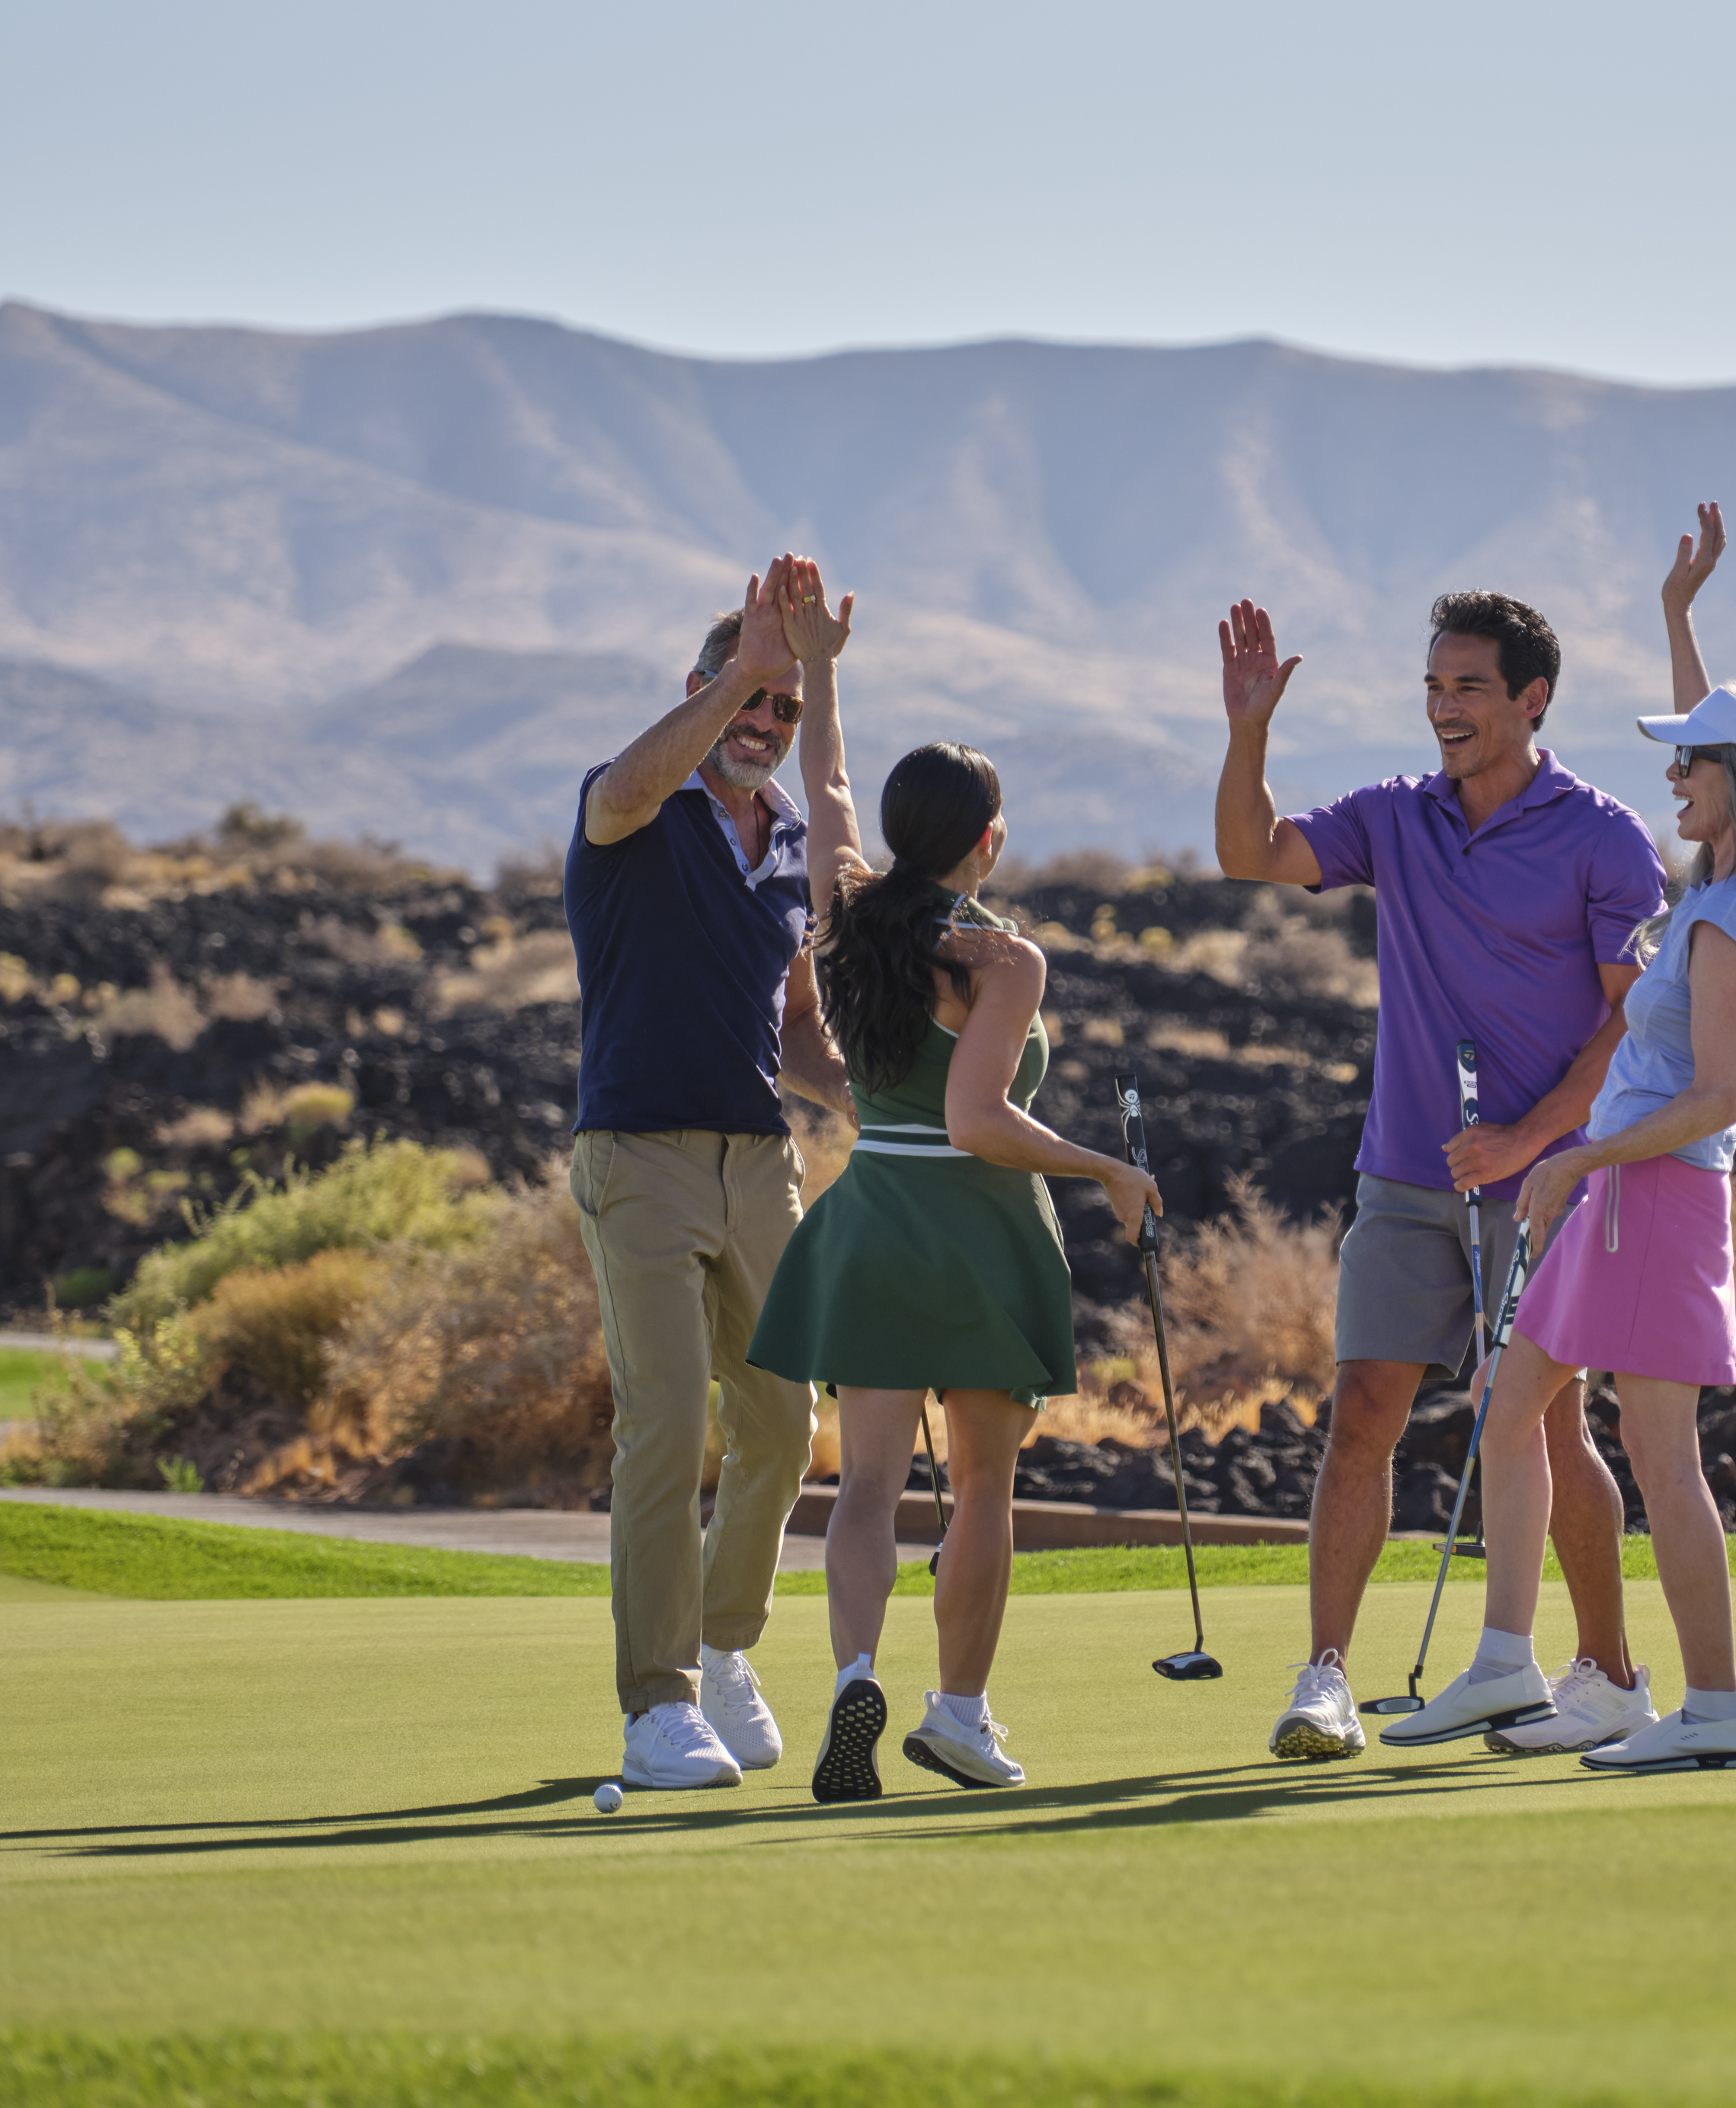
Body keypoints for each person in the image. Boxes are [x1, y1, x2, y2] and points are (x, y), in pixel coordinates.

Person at [1215, 581, 1669, 1761]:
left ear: (1533, 698)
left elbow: (1632, 1028)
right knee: (1362, 1413)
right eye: (1433, 686)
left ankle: (1612, 1677)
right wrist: (1249, 725)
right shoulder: (1395, 816)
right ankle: (1325, 1680)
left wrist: (1529, 1142)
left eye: (1469, 687)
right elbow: (1248, 853)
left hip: (1545, 1184)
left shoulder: (1605, 837)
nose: (1444, 709)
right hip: (1406, 1174)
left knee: (1546, 1432)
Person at [1476, 504, 1736, 1774]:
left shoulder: (1728, 917)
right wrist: (1680, 613)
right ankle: (1578, 1675)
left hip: (1653, 1192)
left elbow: (1720, 1096)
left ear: (1730, 785)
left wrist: (1577, 1158)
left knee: (1659, 1451)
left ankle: (1707, 1704)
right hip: (1628, 1193)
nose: (1671, 777)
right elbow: (1721, 739)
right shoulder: (1721, 876)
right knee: (1515, 1395)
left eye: (1691, 766)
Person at [748, 701, 1160, 1802]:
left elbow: (827, 789)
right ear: (987, 838)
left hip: (873, 1216)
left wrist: (824, 680)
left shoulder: (844, 909)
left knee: (869, 1484)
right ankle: (961, 1716)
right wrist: (1107, 1169)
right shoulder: (1000, 958)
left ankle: (851, 1677)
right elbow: (980, 1122)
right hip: (980, 1235)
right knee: (983, 1489)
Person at [564, 555, 855, 1796]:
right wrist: (748, 659)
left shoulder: (786, 837)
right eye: (746, 695)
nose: (764, 722)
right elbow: (624, 790)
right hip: (637, 1152)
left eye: (782, 707)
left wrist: (875, 1100)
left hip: (757, 1157)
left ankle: (728, 1647)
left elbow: (790, 1017)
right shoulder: (635, 800)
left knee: (785, 1423)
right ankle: (658, 1701)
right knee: (670, 1419)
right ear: (701, 684)